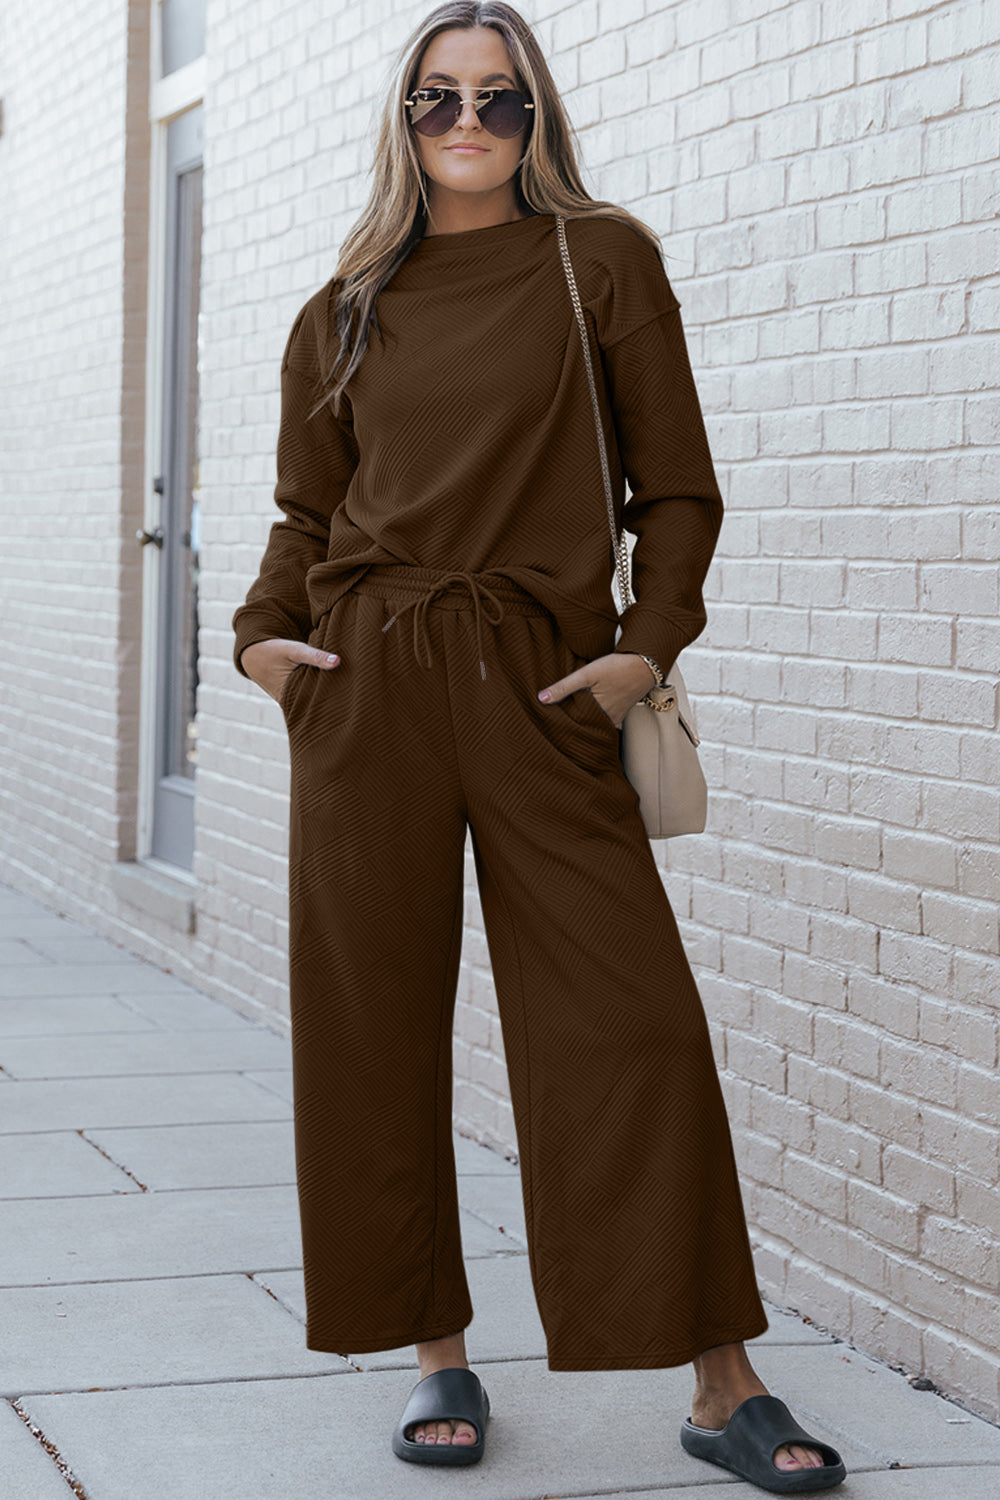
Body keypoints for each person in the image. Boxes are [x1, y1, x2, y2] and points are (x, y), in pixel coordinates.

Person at [232, 2, 847, 1492]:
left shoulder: (601, 262)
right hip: (368, 684)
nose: (467, 123)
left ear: (538, 118)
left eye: (499, 101)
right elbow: (308, 518)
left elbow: (678, 487)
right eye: (439, 98)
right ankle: (436, 1351)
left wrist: (651, 639)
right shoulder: (346, 306)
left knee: (627, 1025)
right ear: (403, 115)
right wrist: (264, 642)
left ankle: (721, 1379)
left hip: (541, 682)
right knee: (374, 1030)